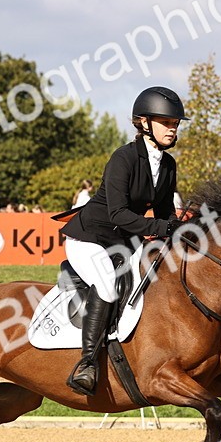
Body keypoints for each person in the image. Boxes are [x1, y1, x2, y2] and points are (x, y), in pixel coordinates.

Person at [57, 85, 189, 396]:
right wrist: (161, 227)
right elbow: (117, 214)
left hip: (124, 242)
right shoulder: (123, 158)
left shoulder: (168, 164)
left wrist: (181, 232)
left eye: (175, 124)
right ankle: (87, 364)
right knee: (105, 285)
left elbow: (165, 212)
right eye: (167, 122)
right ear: (144, 123)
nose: (173, 129)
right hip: (90, 238)